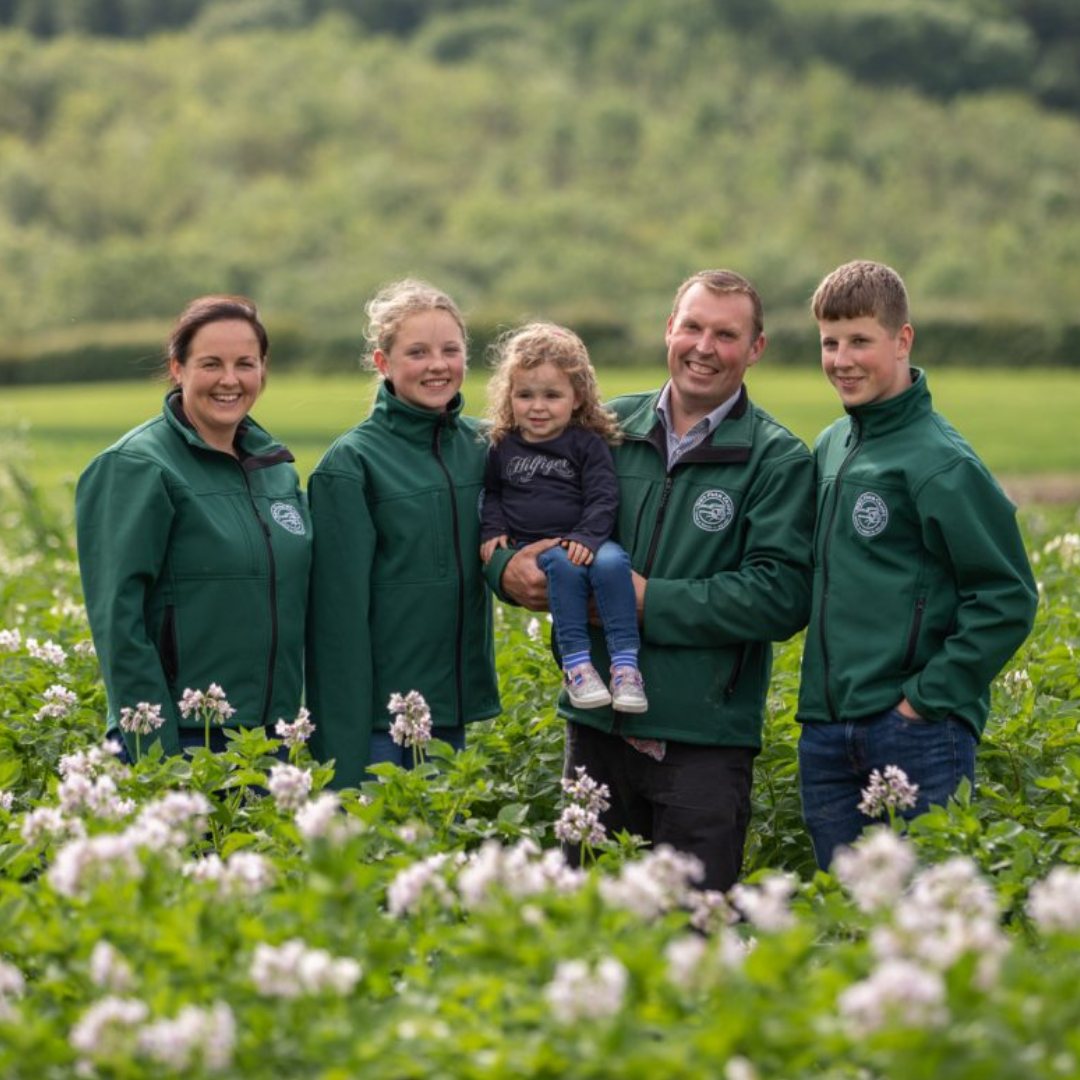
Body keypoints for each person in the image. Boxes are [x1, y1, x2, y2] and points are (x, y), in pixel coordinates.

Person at [493, 270, 815, 892]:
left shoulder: (777, 459)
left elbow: (781, 595)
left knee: (690, 934)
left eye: (726, 334)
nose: (703, 346)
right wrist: (504, 570)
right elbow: (514, 500)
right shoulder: (603, 430)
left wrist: (648, 603)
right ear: (669, 329)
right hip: (595, 730)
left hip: (702, 739)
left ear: (755, 350)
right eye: (692, 326)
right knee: (587, 925)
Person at [795, 260, 1039, 869]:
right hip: (826, 733)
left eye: (861, 341)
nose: (842, 359)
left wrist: (925, 701)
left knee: (925, 924)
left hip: (915, 732)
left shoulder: (941, 461)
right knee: (846, 923)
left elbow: (1008, 595)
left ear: (902, 340)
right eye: (830, 342)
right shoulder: (831, 444)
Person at [76, 295, 311, 759]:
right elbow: (118, 624)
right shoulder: (136, 466)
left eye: (245, 363)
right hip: (184, 739)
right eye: (211, 363)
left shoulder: (276, 469)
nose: (230, 380)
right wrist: (151, 752)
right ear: (177, 368)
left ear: (263, 369)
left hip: (271, 740)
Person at [306, 279, 500, 786]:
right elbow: (336, 624)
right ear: (382, 362)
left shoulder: (485, 446)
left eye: (450, 350)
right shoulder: (351, 464)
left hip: (453, 713)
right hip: (380, 723)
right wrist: (342, 756)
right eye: (417, 352)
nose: (437, 365)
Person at [480, 322, 648, 714]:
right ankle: (577, 666)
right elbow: (493, 494)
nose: (537, 406)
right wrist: (493, 530)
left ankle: (626, 666)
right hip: (540, 547)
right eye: (525, 395)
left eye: (552, 395)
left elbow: (604, 496)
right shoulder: (503, 446)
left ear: (577, 398)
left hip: (586, 539)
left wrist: (589, 538)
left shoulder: (586, 443)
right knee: (564, 568)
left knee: (614, 564)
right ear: (510, 397)